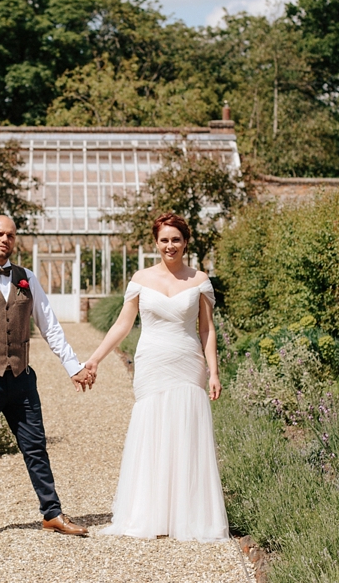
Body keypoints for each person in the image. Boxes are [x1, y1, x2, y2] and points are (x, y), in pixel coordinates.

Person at [82, 212, 229, 541]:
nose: (170, 245)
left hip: (187, 361)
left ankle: (188, 516)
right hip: (152, 362)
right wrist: (95, 359)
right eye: (164, 239)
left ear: (186, 242)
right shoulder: (141, 279)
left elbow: (207, 329)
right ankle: (150, 514)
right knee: (153, 428)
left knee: (186, 431)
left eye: (176, 239)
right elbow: (123, 324)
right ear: (156, 243)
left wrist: (214, 371)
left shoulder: (199, 280)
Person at [0, 214, 95, 542]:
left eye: (11, 235)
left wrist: (73, 366)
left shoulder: (26, 277)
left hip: (21, 378)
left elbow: (50, 325)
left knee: (35, 447)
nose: (5, 239)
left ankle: (52, 513)